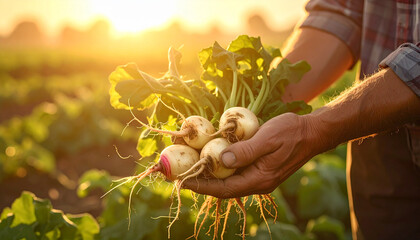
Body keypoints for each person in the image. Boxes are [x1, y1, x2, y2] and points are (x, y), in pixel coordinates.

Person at [184, 0, 420, 239]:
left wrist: (312, 129)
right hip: (376, 145)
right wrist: (262, 112)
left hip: (367, 116)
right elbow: (342, 12)